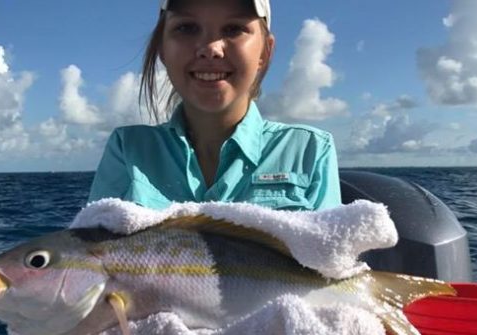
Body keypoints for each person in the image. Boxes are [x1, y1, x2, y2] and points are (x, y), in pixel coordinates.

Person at [88, 0, 341, 211]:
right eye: (187, 27)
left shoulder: (310, 150)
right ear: (162, 49)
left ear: (265, 52)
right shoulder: (127, 149)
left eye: (233, 28)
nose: (210, 49)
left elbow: (330, 263)